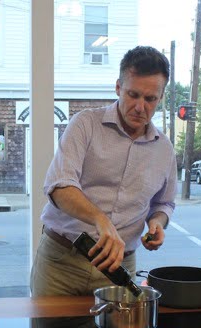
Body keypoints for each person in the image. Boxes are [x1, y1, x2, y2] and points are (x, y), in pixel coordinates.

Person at [30, 46, 177, 297]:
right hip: (62, 263)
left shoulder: (164, 148)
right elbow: (59, 186)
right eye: (133, 95)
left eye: (150, 99)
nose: (140, 107)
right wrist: (101, 220)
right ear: (118, 87)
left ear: (160, 98)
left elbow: (164, 203)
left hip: (119, 269)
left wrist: (156, 223)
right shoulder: (85, 124)